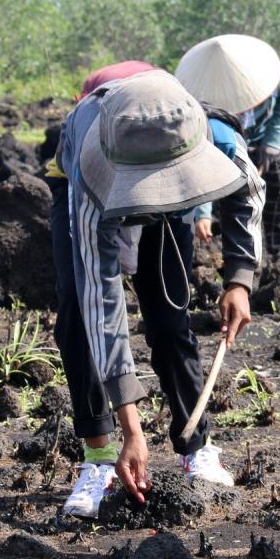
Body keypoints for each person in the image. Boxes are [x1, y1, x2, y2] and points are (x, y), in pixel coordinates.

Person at [50, 69, 265, 518]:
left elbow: (248, 194)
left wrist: (239, 278)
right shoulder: (89, 169)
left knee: (170, 317)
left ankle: (197, 444)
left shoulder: (212, 135)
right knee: (76, 316)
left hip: (173, 200)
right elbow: (100, 299)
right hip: (101, 187)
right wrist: (132, 427)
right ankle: (100, 459)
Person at [175, 35, 280, 263]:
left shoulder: (276, 74)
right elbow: (203, 163)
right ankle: (232, 255)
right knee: (231, 197)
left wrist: (272, 141)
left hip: (264, 139)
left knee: (277, 191)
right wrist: (202, 212)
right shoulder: (205, 96)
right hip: (225, 142)